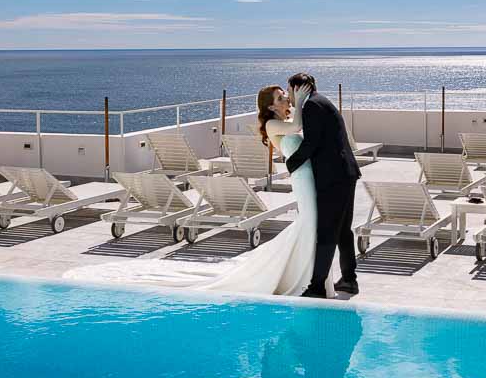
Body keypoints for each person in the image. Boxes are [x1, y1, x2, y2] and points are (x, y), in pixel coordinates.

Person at [62, 84, 324, 295]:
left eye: (285, 97)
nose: (286, 100)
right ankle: (303, 274)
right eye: (281, 98)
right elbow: (296, 127)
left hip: (306, 176)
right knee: (309, 223)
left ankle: (306, 271)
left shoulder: (279, 122)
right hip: (301, 179)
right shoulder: (271, 125)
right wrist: (300, 102)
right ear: (269, 106)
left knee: (310, 223)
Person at [283, 72, 361, 298]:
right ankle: (349, 280)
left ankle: (317, 287)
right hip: (345, 174)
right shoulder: (322, 101)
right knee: (343, 231)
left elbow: (311, 144)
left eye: (290, 90)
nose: (289, 95)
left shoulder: (312, 107)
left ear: (299, 89)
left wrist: (291, 163)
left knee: (327, 231)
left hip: (334, 178)